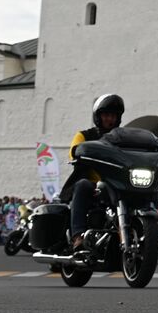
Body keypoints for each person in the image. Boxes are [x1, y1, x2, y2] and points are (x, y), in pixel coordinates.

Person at [60, 93, 125, 250]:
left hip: (117, 184)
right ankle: (78, 235)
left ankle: (147, 232)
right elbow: (74, 151)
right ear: (99, 116)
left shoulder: (123, 138)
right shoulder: (85, 135)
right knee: (83, 184)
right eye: (106, 115)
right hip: (94, 185)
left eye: (113, 116)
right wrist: (81, 151)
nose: (110, 119)